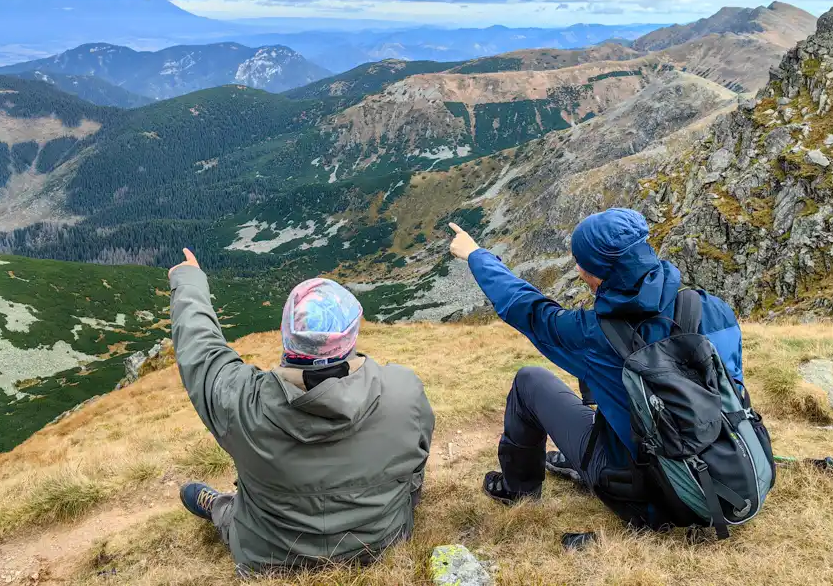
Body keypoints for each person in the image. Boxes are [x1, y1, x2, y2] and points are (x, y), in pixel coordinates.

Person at [448, 209, 744, 528]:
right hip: (730, 476)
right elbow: (733, 390)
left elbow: (527, 309)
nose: (578, 269)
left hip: (651, 499)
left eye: (582, 263)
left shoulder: (596, 334)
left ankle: (517, 490)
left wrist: (476, 255)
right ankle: (593, 455)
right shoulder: (711, 308)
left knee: (528, 381)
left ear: (601, 274)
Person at [168, 249, 434, 574]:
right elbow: (417, 461)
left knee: (240, 515)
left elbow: (200, 349)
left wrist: (188, 280)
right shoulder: (404, 391)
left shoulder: (240, 401)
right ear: (350, 337)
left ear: (286, 335)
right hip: (382, 541)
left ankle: (221, 508)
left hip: (271, 557)